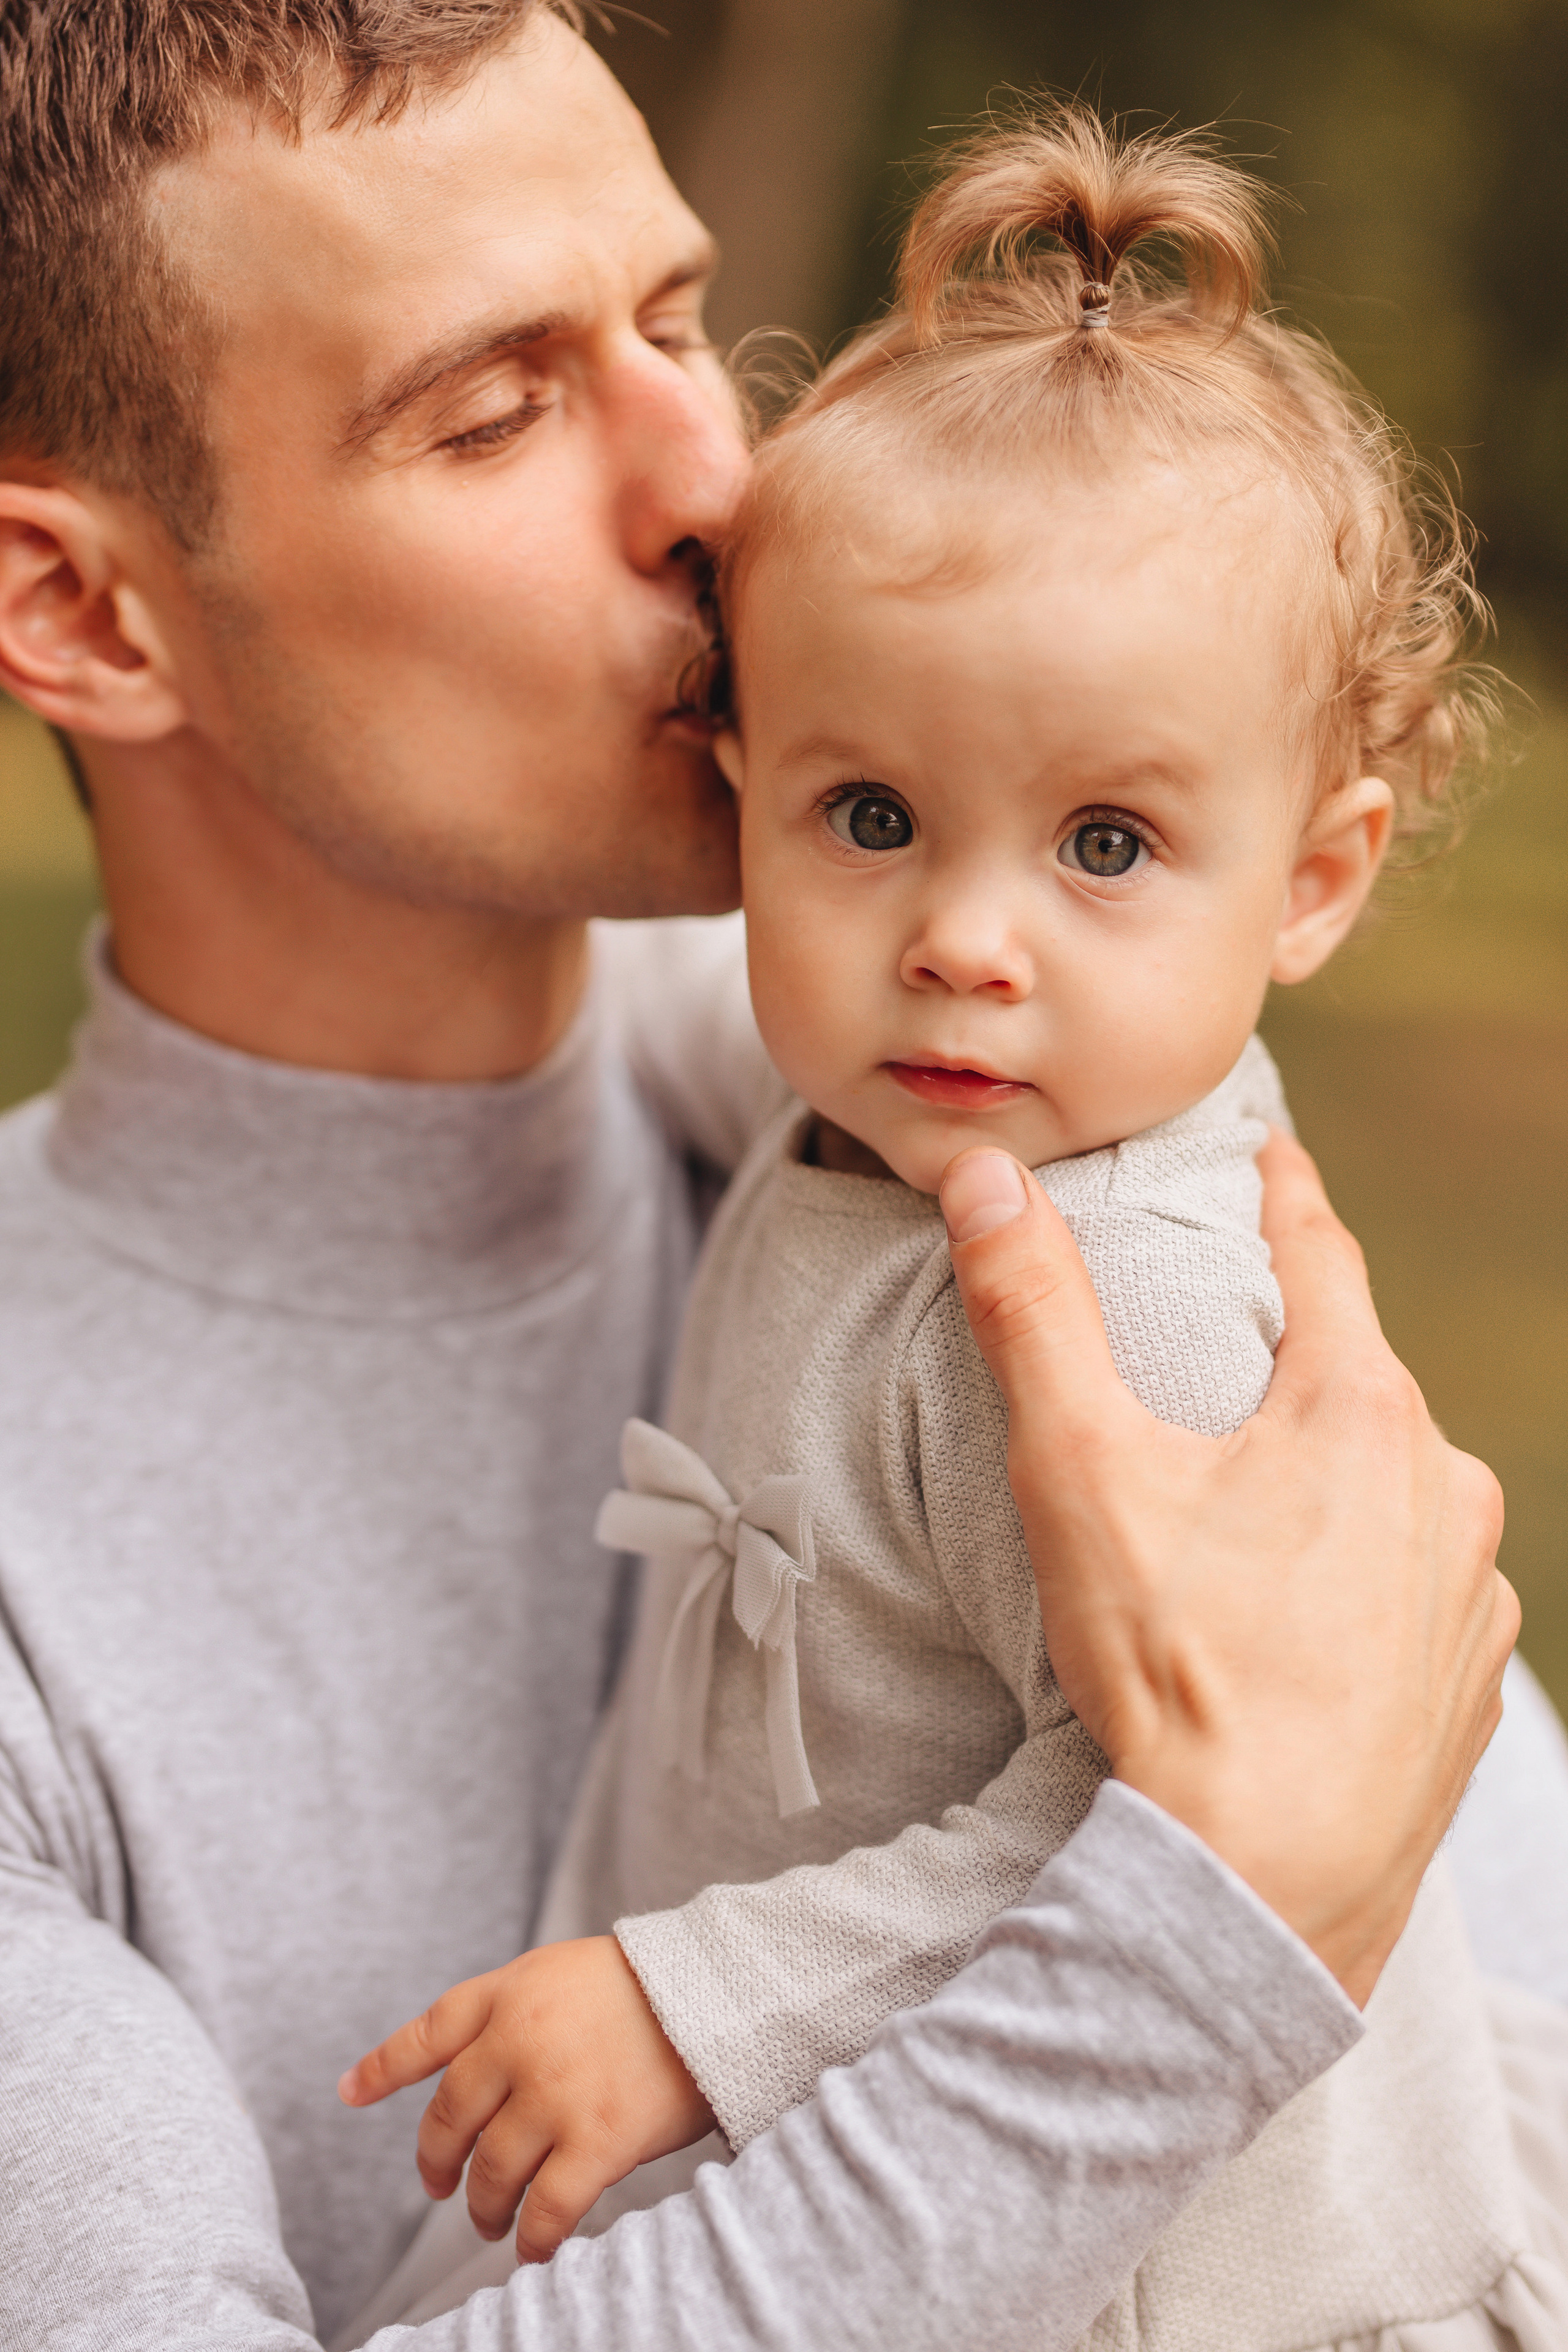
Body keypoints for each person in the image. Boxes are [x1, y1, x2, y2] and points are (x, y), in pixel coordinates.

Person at [0, 4, 1552, 2348]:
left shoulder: (967, 1130)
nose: (718, 483)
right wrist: (1203, 1937)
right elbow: (1286, 1872)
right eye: (495, 412)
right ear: (82, 611)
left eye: (678, 321)